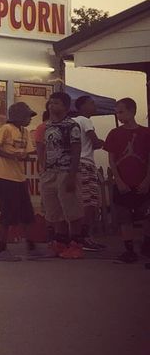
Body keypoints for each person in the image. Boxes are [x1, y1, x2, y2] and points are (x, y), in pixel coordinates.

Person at [0, 102, 48, 261]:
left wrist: (25, 157)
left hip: (19, 177)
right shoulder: (6, 129)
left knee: (27, 214)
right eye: (27, 116)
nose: (29, 120)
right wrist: (12, 156)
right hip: (4, 177)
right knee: (7, 214)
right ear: (18, 116)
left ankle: (31, 246)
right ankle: (1, 250)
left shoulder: (25, 132)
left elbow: (28, 152)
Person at [36, 91, 84, 259]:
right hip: (50, 172)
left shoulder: (72, 126)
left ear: (65, 106)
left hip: (66, 171)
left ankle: (76, 244)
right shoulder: (47, 126)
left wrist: (72, 175)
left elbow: (76, 150)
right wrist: (42, 168)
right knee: (54, 210)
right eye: (50, 103)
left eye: (56, 103)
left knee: (71, 209)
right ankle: (60, 243)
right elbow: (42, 148)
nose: (51, 106)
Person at [104, 98, 150, 264]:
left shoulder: (146, 133)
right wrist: (119, 180)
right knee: (125, 218)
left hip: (142, 182)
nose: (119, 115)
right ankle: (129, 250)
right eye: (117, 111)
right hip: (123, 182)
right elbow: (112, 160)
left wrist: (147, 180)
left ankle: (146, 244)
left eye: (121, 111)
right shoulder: (114, 134)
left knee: (146, 217)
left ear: (132, 111)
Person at [71, 96, 106, 251]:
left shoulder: (73, 122)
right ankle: (83, 237)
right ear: (83, 106)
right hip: (86, 163)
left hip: (77, 164)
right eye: (91, 103)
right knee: (90, 202)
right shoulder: (85, 120)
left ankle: (78, 236)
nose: (94, 105)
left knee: (80, 201)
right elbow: (95, 141)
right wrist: (105, 142)